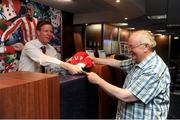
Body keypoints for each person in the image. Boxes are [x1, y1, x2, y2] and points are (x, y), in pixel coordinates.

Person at [87, 30, 171, 119]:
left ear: (146, 46)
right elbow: (118, 63)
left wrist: (98, 80)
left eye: (131, 47)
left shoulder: (154, 69)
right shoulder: (138, 61)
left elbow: (127, 96)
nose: (129, 50)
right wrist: (94, 59)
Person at [18, 20, 83, 75]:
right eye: (46, 31)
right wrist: (64, 65)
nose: (49, 34)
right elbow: (42, 59)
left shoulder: (51, 49)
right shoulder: (29, 45)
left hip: (42, 81)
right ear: (38, 32)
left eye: (51, 31)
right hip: (25, 81)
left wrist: (68, 65)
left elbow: (53, 67)